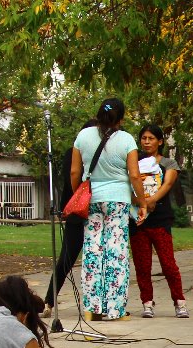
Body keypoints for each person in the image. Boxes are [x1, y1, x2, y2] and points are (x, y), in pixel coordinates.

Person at [71, 97, 148, 321]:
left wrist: (79, 194)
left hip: (92, 198)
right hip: (118, 201)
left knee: (93, 251)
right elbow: (134, 175)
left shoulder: (83, 136)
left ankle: (91, 308)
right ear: (121, 119)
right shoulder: (126, 140)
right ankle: (115, 310)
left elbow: (75, 172)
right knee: (116, 253)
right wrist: (141, 202)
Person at [131, 123, 188, 319]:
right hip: (138, 222)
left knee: (168, 264)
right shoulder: (134, 162)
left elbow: (168, 183)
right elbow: (129, 182)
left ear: (160, 141)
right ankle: (147, 303)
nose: (147, 142)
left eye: (151, 138)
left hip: (161, 219)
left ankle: (179, 302)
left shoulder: (168, 163)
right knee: (142, 265)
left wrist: (151, 201)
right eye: (144, 138)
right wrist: (140, 203)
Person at [45, 120, 97, 318]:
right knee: (68, 258)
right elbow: (72, 178)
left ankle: (50, 301)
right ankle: (49, 300)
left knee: (72, 258)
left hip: (83, 209)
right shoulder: (74, 153)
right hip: (82, 210)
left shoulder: (77, 153)